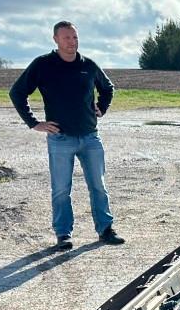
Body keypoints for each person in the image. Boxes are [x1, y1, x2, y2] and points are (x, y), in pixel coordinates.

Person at [9, 21, 125, 250]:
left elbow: (108, 88)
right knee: (61, 189)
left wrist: (102, 106)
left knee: (98, 186)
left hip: (90, 137)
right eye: (66, 38)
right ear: (56, 39)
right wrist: (34, 123)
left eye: (74, 37)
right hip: (60, 139)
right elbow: (17, 92)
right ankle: (64, 234)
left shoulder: (88, 65)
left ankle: (105, 229)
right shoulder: (43, 65)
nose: (72, 42)